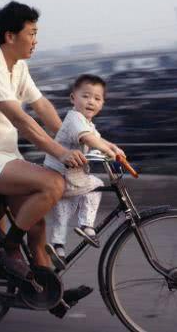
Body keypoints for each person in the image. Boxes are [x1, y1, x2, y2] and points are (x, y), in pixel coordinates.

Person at [0, 1, 91, 315]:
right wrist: (61, 153)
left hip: (2, 156)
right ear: (10, 36)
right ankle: (7, 251)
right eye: (32, 33)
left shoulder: (19, 67)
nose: (36, 40)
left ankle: (50, 293)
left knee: (36, 223)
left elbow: (42, 109)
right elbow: (23, 121)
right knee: (53, 184)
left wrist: (77, 138)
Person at [44, 75, 125, 263]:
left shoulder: (86, 123)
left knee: (63, 210)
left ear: (102, 103)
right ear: (73, 98)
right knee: (96, 185)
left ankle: (58, 248)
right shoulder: (75, 120)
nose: (91, 101)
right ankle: (87, 226)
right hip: (64, 177)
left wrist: (113, 147)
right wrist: (108, 151)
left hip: (60, 178)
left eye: (97, 98)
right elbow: (89, 139)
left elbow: (97, 138)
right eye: (86, 96)